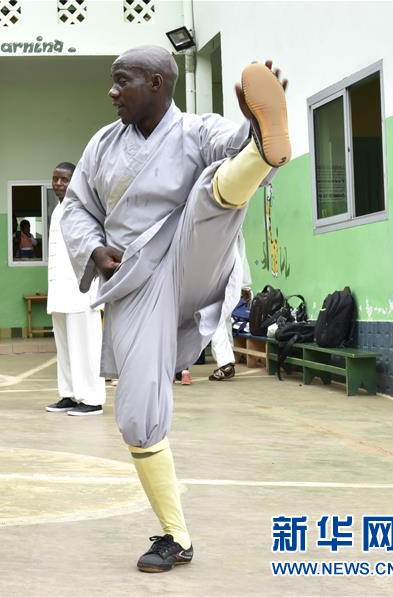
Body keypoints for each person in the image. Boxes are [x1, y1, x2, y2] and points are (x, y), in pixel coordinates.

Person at [61, 47, 289, 572]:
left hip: (190, 257)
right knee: (138, 416)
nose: (112, 92)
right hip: (136, 280)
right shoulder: (101, 144)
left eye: (123, 81)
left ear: (159, 83)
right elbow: (77, 207)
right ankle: (174, 536)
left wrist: (254, 129)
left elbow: (225, 148)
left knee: (212, 191)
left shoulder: (197, 130)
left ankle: (265, 148)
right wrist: (95, 248)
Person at [45, 161, 106, 416]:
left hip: (82, 292)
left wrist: (93, 290)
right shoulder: (57, 210)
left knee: (86, 346)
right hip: (60, 290)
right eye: (55, 179)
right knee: (65, 345)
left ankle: (92, 398)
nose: (59, 184)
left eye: (65, 179)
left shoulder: (85, 208)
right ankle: (69, 393)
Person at [209, 237, 252, 381]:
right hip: (231, 280)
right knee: (223, 319)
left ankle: (225, 362)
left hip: (216, 279)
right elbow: (242, 253)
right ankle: (226, 362)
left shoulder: (215, 225)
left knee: (215, 319)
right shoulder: (235, 224)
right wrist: (245, 285)